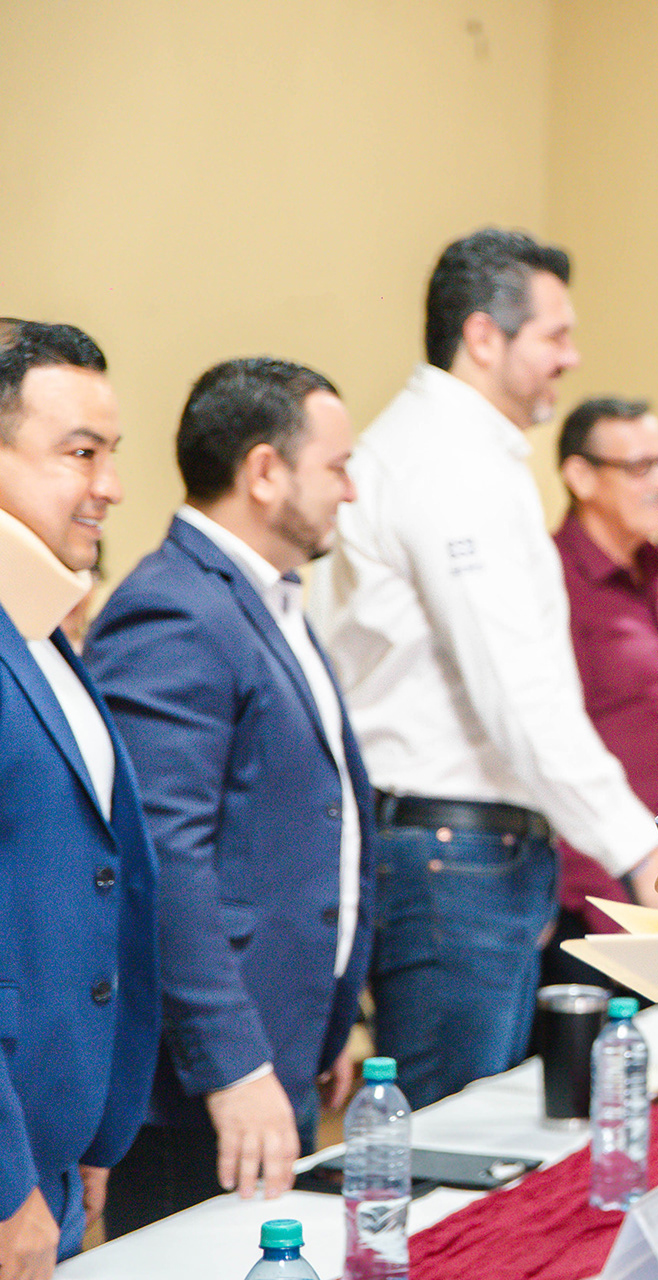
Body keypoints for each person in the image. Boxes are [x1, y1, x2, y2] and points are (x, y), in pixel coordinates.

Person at [309, 228, 658, 1108]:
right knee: (451, 1137)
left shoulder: (464, 452)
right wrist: (634, 849)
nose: (570, 357)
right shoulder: (447, 462)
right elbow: (516, 687)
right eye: (554, 335)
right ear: (482, 336)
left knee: (479, 1127)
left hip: (469, 849)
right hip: (450, 850)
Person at [86, 358, 375, 1235]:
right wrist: (234, 1063)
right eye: (336, 467)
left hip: (279, 1038)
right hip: (201, 1079)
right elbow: (164, 854)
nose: (351, 491)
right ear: (264, 472)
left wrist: (324, 1021)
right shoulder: (176, 609)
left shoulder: (266, 600)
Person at [0, 320, 160, 1273]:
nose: (111, 486)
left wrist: (86, 1128)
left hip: (50, 1155)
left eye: (112, 453)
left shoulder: (42, 632)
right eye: (80, 453)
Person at [546, 396, 658, 981]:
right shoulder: (551, 581)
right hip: (594, 900)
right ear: (580, 476)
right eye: (640, 468)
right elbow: (544, 740)